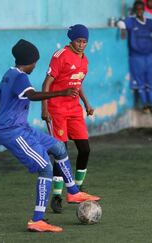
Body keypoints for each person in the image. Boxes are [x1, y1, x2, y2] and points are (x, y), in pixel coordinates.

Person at [0, 39, 100, 232]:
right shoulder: (20, 77)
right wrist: (61, 92)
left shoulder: (8, 74)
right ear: (29, 61)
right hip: (12, 132)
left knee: (58, 147)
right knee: (45, 168)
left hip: (21, 127)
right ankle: (37, 220)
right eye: (34, 62)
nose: (35, 65)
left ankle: (73, 192)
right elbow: (33, 96)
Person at [41, 24, 100, 214]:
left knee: (85, 148)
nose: (82, 45)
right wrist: (45, 108)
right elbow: (46, 83)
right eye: (78, 41)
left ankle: (78, 187)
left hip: (74, 110)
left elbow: (77, 83)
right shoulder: (60, 56)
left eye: (85, 42)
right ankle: (57, 195)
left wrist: (86, 104)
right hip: (57, 109)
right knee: (61, 153)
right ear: (71, 40)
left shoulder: (85, 60)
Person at [117, 0, 152, 114]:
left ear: (144, 9)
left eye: (141, 9)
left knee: (151, 83)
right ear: (135, 10)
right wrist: (122, 29)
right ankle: (146, 105)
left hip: (150, 57)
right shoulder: (131, 21)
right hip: (136, 57)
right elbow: (120, 23)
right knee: (140, 84)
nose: (140, 11)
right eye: (137, 9)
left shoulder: (150, 22)